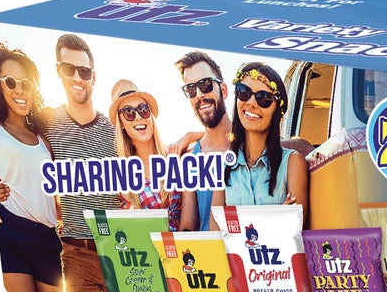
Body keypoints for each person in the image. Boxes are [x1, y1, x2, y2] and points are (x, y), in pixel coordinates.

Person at [0, 42, 62, 292]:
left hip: (47, 237)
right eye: (10, 82)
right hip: (11, 232)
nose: (20, 90)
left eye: (26, 83)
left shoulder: (42, 135)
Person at [43, 34, 119, 292]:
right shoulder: (47, 125)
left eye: (84, 71)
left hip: (117, 250)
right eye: (69, 69)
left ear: (93, 77)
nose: (77, 77)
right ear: (59, 71)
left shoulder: (113, 131)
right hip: (76, 254)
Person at [211, 61, 308, 225]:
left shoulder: (292, 162)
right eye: (243, 92)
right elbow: (216, 231)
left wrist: (237, 226)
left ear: (277, 110)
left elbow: (293, 227)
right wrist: (277, 217)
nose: (251, 103)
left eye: (263, 98)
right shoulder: (222, 166)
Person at [109, 79, 182, 230]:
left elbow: (214, 140)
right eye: (129, 112)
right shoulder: (123, 178)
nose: (138, 117)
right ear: (121, 124)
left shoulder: (175, 154)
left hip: (188, 243)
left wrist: (189, 136)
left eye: (143, 109)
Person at [173, 50, 234, 231]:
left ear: (223, 90)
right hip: (207, 249)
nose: (199, 94)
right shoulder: (191, 159)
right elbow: (188, 227)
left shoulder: (252, 144)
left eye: (205, 84)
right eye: (191, 89)